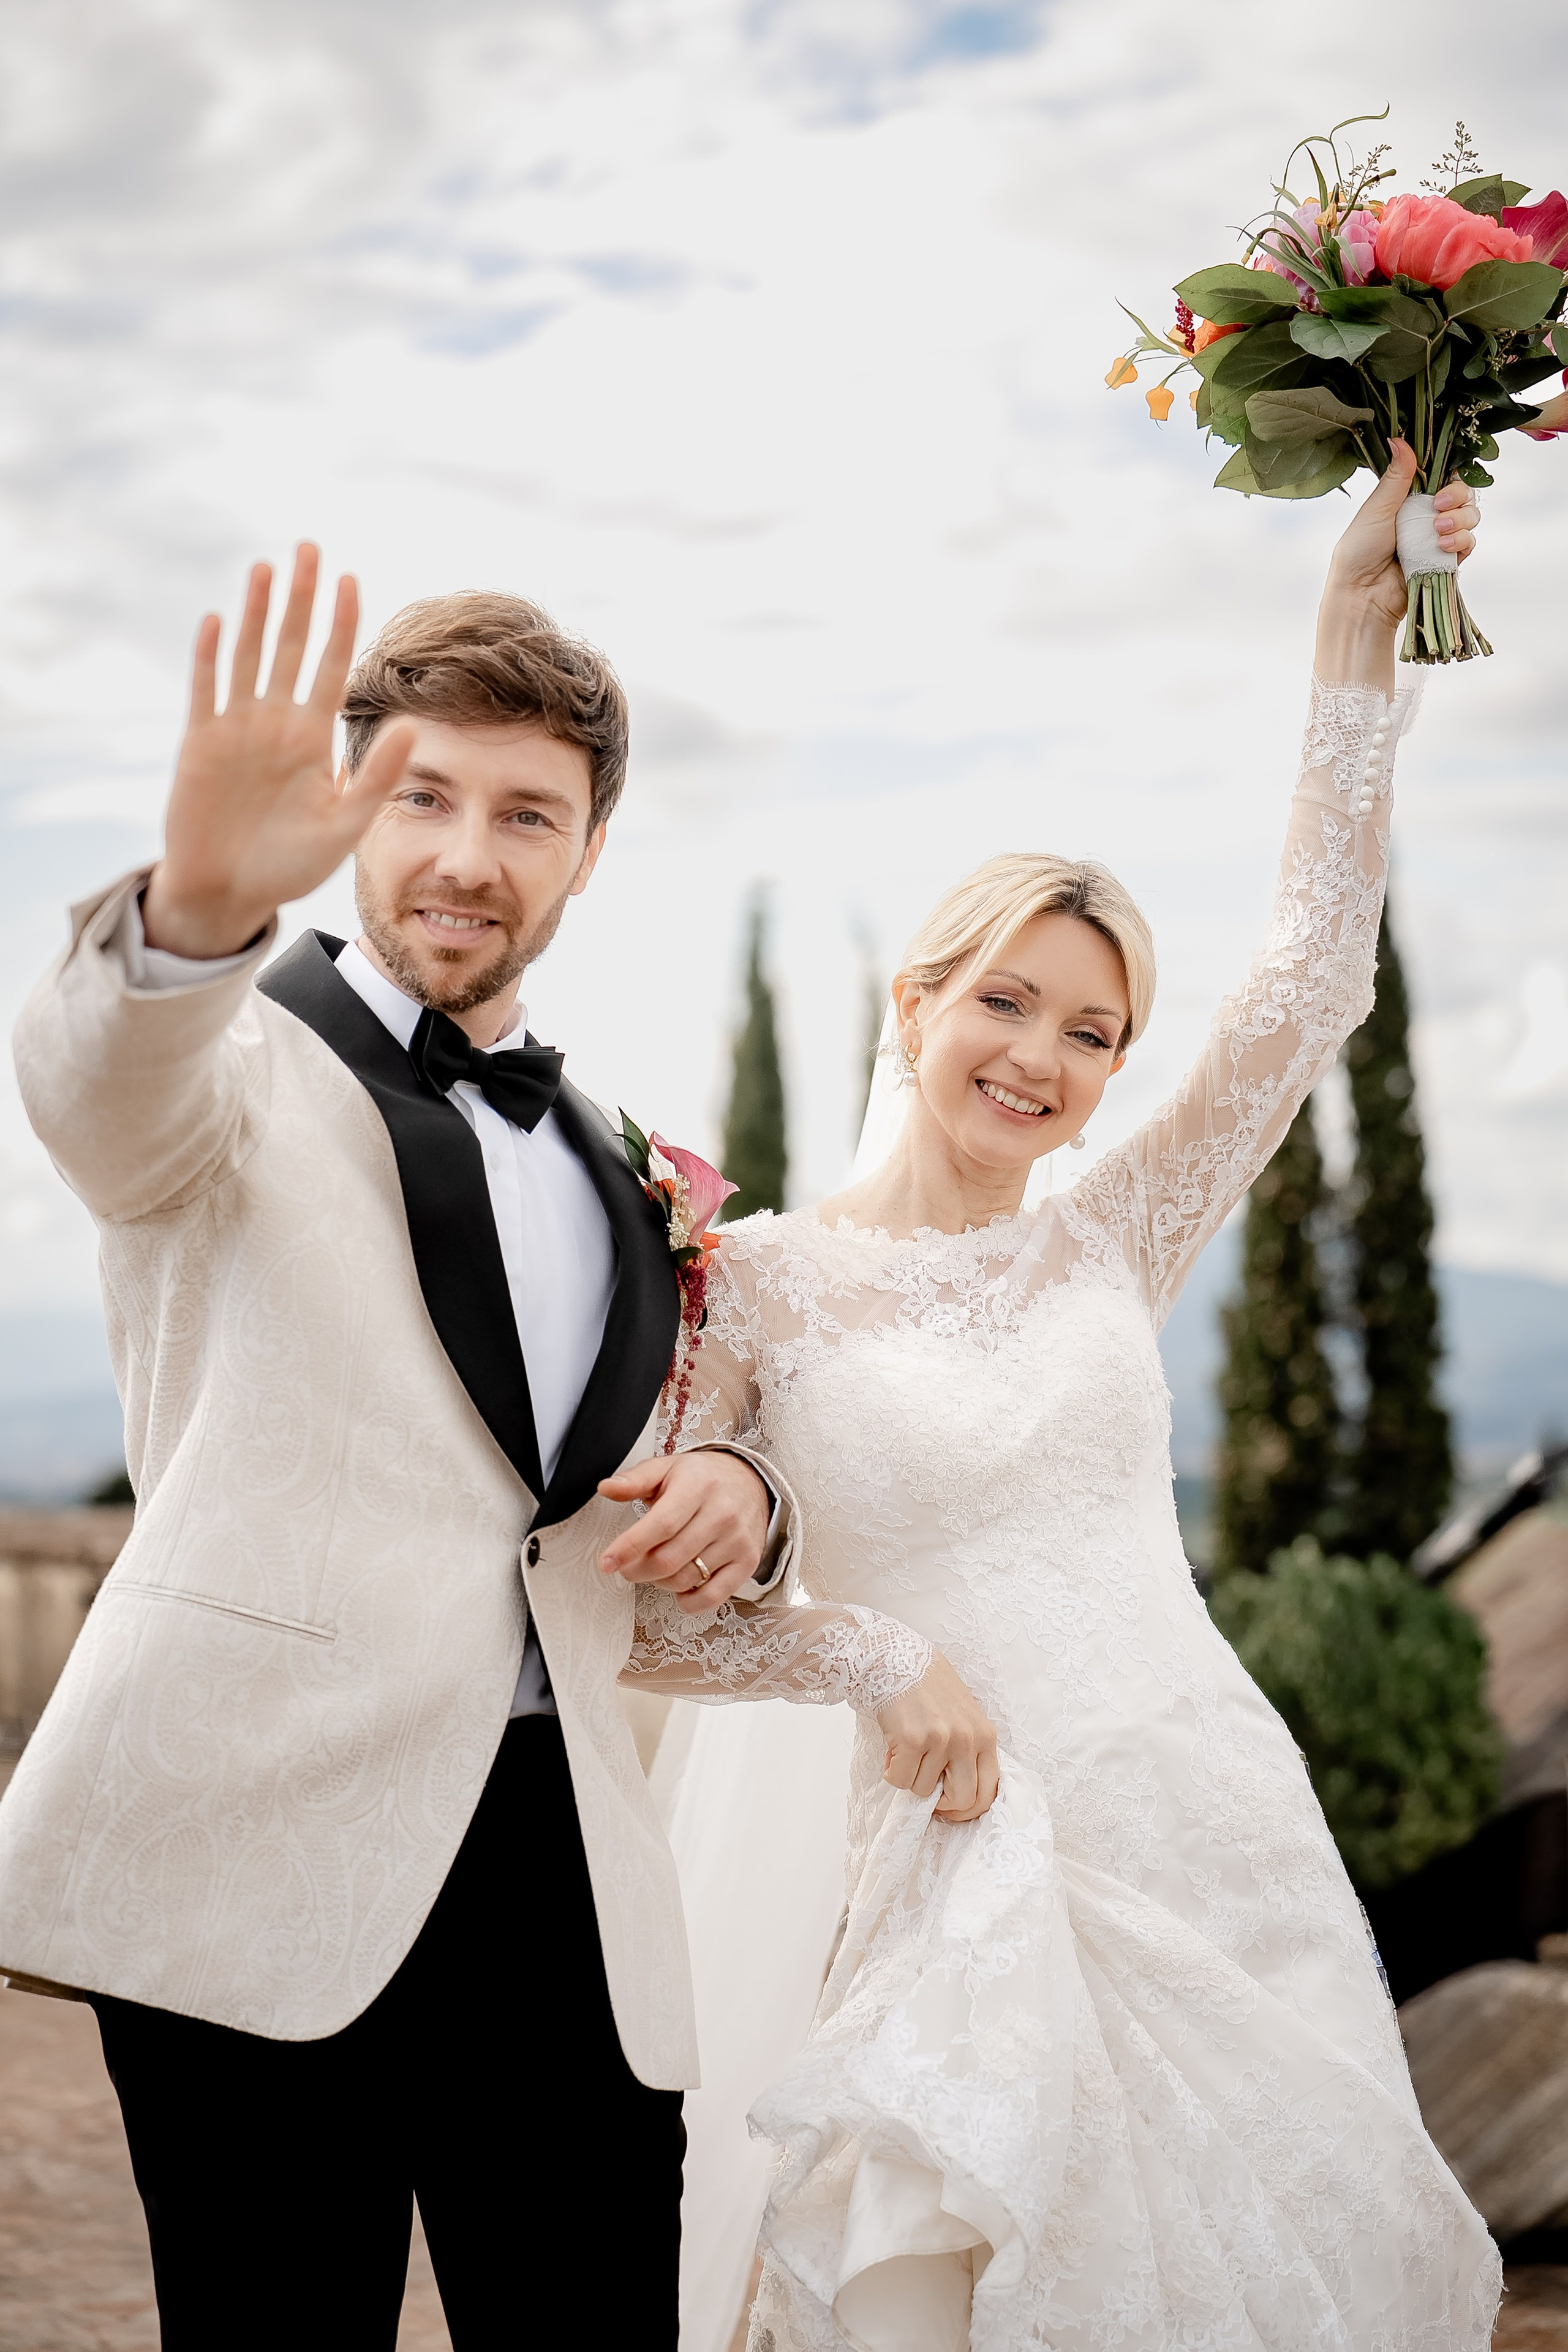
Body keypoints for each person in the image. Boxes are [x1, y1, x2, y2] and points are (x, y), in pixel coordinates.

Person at [0, 551, 998, 2351]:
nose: (471, 852)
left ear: (588, 852)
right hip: (258, 1859)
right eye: (425, 797)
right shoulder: (229, 1073)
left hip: (571, 1887)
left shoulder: (625, 1166)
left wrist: (748, 1498)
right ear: (354, 806)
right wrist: (194, 916)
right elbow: (99, 1093)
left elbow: (685, 1462)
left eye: (527, 813)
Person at [674, 445, 1503, 2350]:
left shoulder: (1108, 1243)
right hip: (966, 1872)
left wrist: (1351, 631)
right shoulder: (760, 1283)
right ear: (917, 1003)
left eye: (1096, 1029)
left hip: (1207, 1833)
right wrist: (874, 1656)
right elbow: (664, 1622)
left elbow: (1308, 984)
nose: (1044, 1057)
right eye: (1009, 1003)